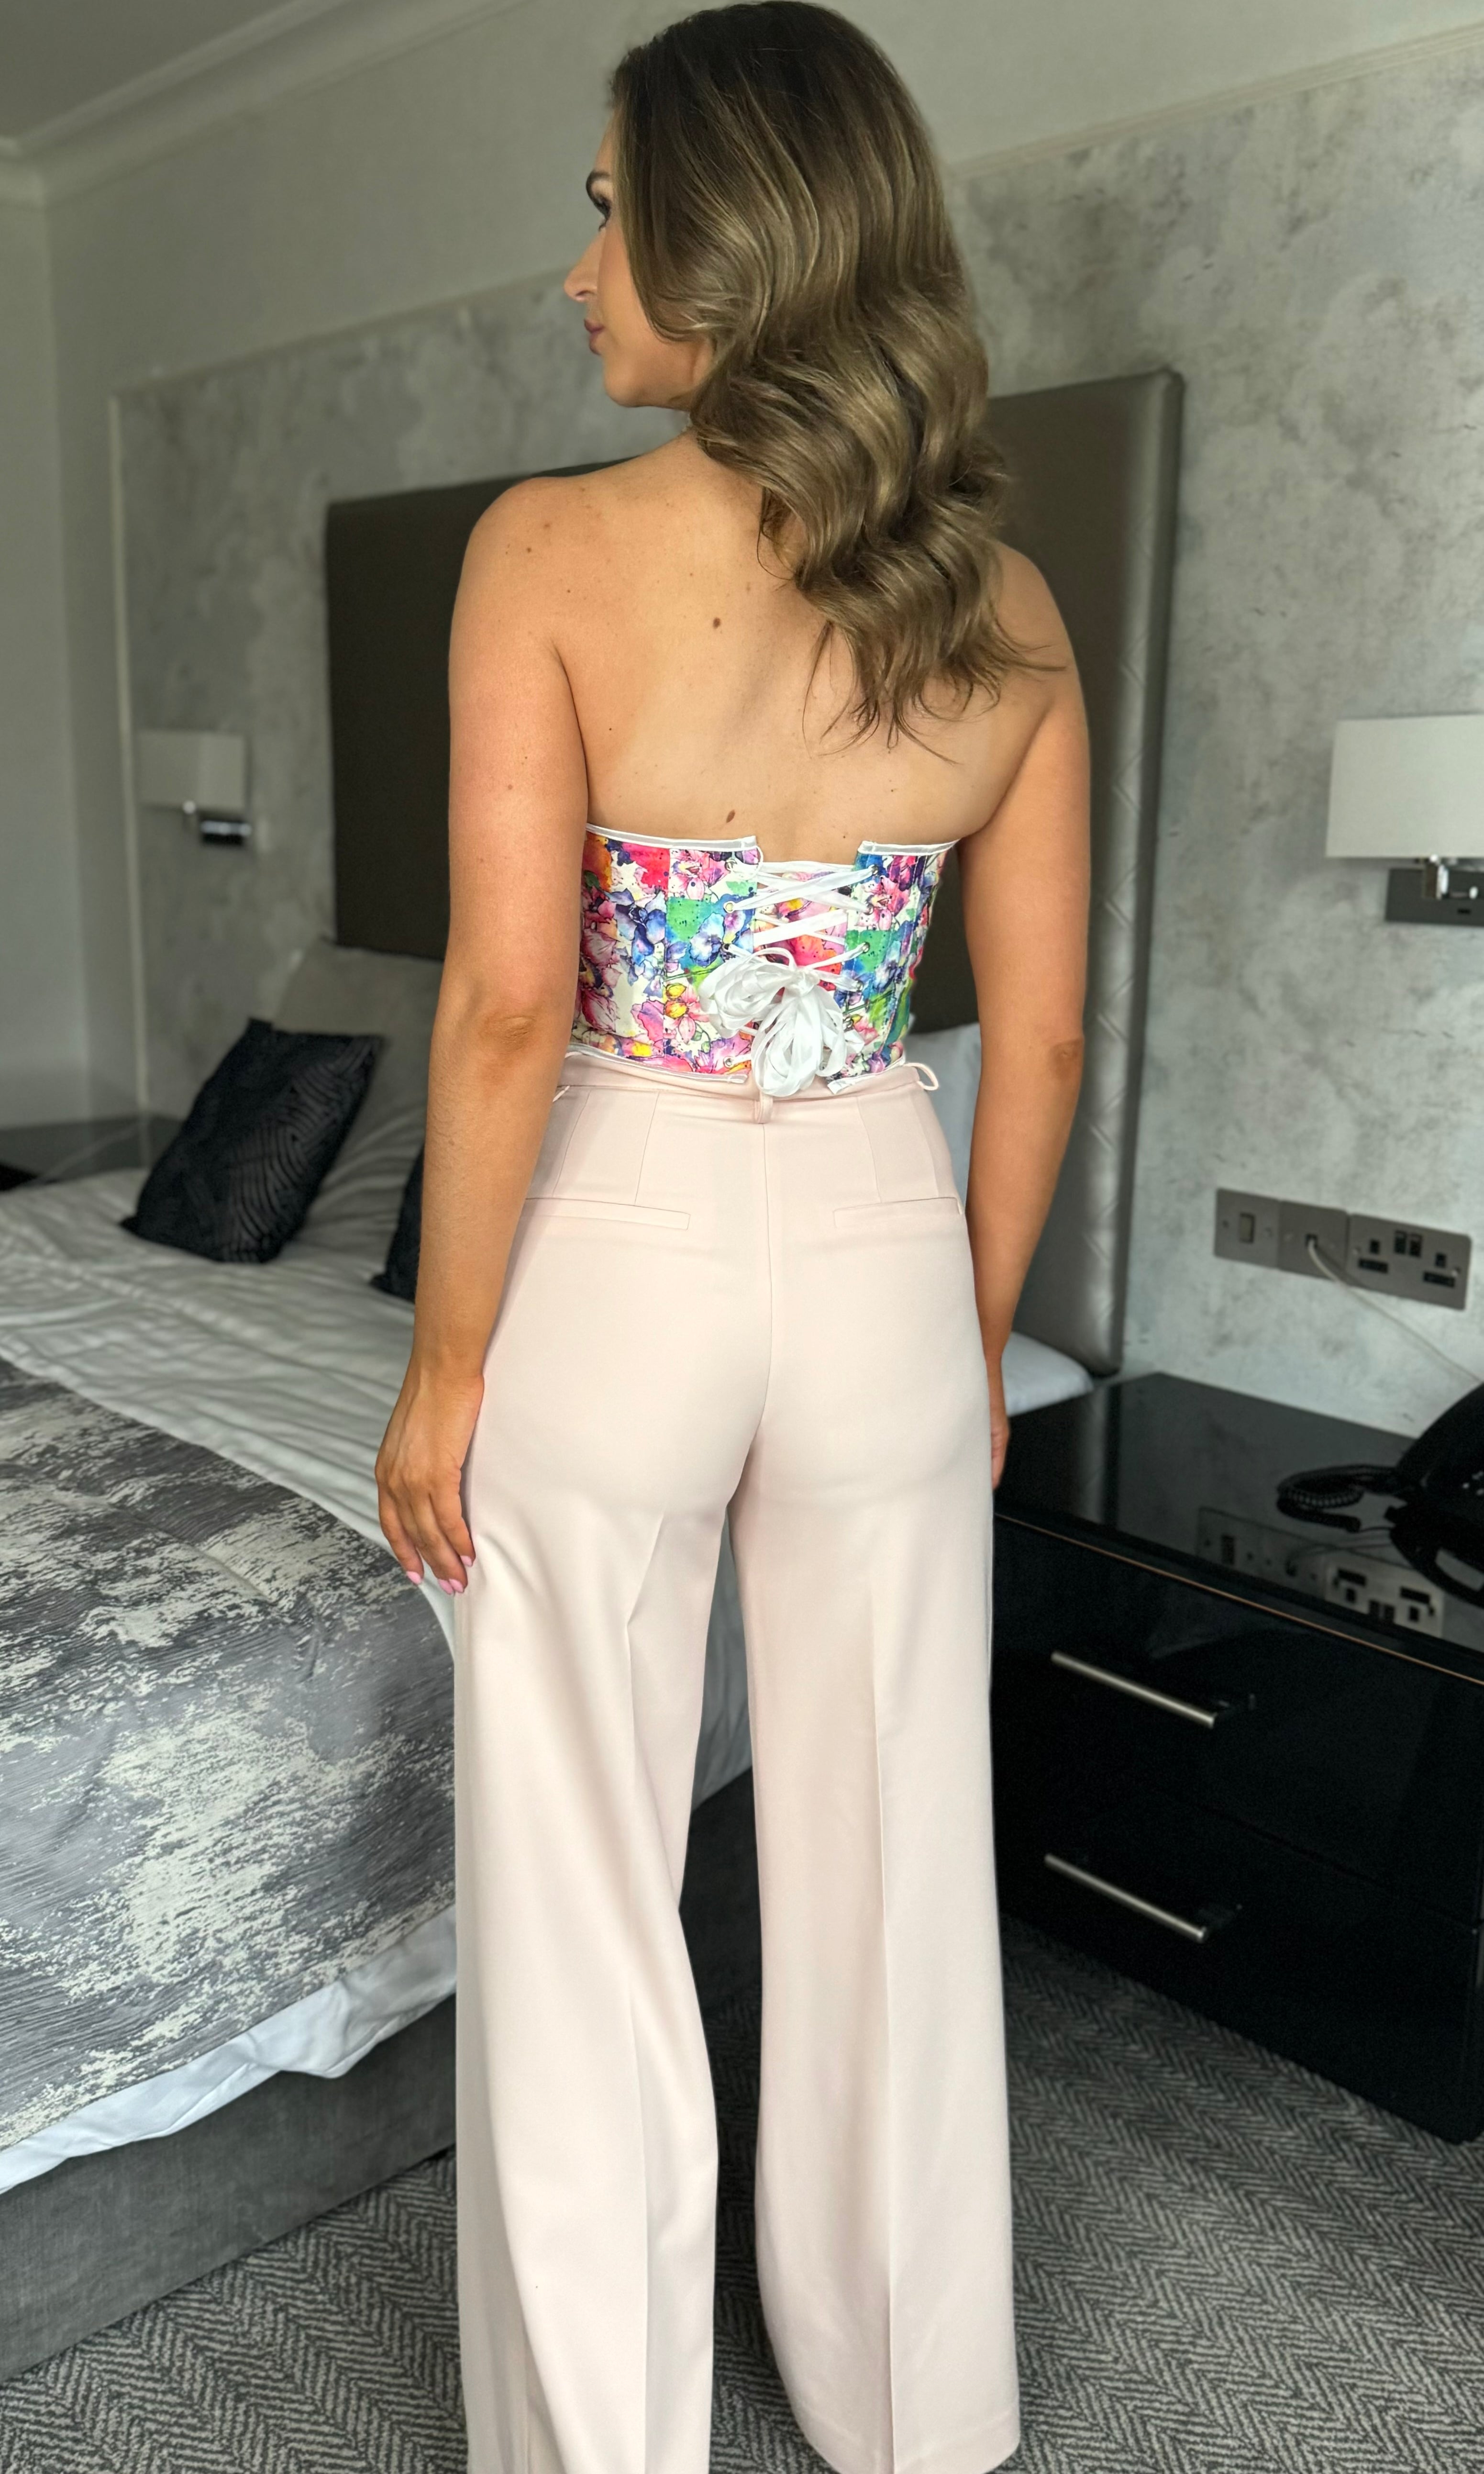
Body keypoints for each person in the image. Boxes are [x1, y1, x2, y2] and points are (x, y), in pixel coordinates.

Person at [376, 6, 1089, 2469]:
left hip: (626, 1229)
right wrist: (965, 1348)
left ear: (727, 231)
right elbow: (1039, 1040)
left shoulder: (546, 551)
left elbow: (503, 1007)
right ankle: (915, 2412)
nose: (574, 268)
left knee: (580, 1883)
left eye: (606, 210)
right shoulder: (1005, 608)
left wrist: (443, 1367)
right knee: (893, 1868)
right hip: (882, 1236)